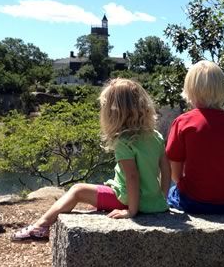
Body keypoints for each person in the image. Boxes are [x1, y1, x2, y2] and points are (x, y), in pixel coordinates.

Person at [11, 78, 170, 241]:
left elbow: (132, 177)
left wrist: (131, 211)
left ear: (113, 113)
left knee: (77, 190)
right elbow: (166, 169)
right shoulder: (155, 136)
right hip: (154, 202)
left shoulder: (124, 142)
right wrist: (160, 199)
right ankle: (42, 226)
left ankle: (40, 227)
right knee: (98, 189)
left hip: (130, 201)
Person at [166, 60, 224, 214]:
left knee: (169, 193)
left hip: (194, 202)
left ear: (189, 89)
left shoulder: (183, 122)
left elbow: (175, 173)